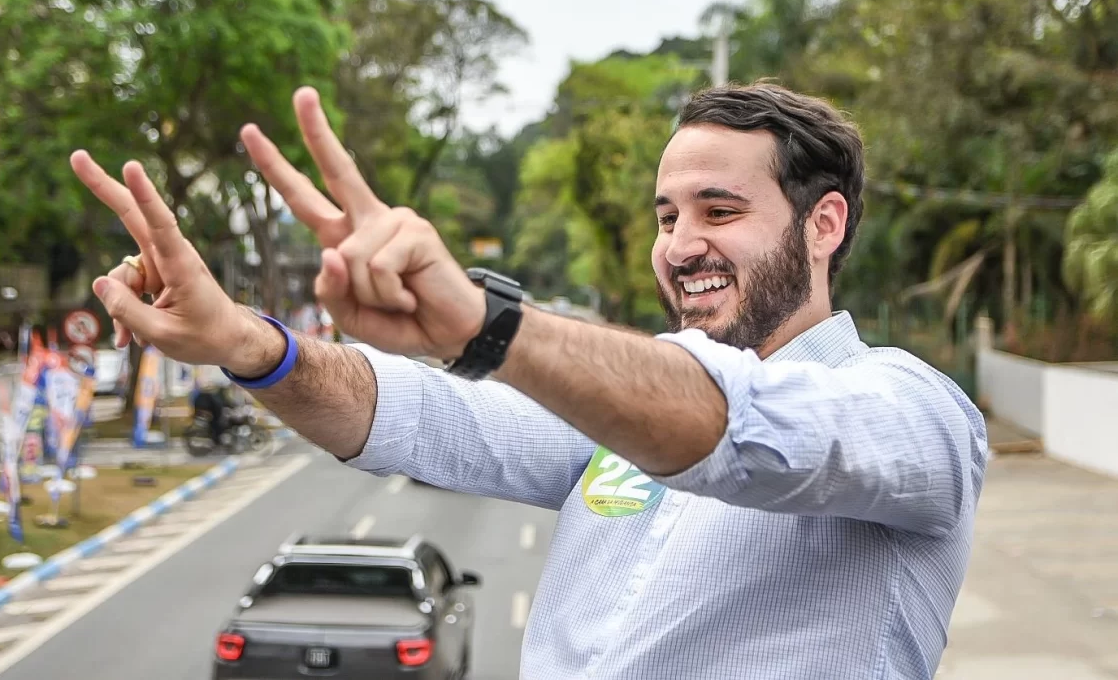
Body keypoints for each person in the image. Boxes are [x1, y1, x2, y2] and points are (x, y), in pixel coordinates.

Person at [72, 82, 986, 680]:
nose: (680, 246)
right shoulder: (617, 412)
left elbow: (738, 424)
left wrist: (486, 323)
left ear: (824, 224)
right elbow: (424, 415)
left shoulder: (914, 415)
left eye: (720, 210)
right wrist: (243, 341)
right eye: (667, 216)